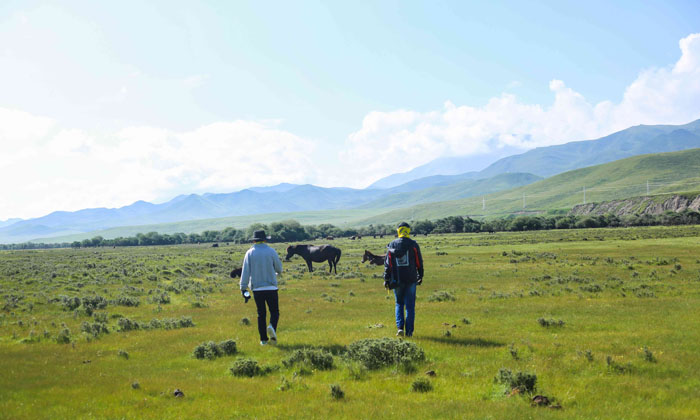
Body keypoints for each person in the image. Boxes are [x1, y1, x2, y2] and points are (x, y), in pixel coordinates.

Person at [240, 230, 283, 345]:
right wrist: (276, 273)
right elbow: (279, 268)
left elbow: (245, 272)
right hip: (271, 287)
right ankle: (272, 327)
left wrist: (243, 288)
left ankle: (263, 340)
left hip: (257, 289)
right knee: (274, 312)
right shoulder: (271, 251)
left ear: (254, 240)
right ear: (265, 239)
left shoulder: (249, 253)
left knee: (261, 314)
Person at [383, 222, 424, 337]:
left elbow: (387, 264)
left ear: (398, 231)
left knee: (399, 304)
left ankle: (400, 328)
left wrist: (386, 278)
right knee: (410, 306)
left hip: (396, 280)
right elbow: (419, 262)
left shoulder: (391, 245)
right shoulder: (413, 244)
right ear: (408, 231)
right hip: (411, 279)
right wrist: (421, 275)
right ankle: (409, 332)